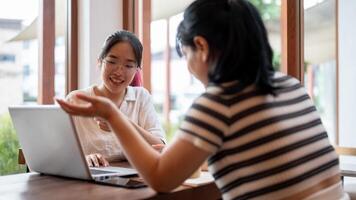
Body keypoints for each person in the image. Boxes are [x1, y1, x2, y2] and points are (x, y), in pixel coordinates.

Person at [57, 0, 348, 199]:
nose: (188, 66)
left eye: (185, 56)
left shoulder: (219, 104)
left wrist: (111, 114)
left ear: (201, 47)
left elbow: (161, 178)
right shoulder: (291, 86)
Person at [66, 30, 166, 167]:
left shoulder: (141, 97)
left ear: (136, 69)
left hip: (134, 179)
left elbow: (160, 146)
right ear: (100, 62)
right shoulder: (76, 99)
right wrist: (84, 158)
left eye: (129, 66)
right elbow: (62, 153)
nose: (119, 72)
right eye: (112, 62)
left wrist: (121, 123)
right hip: (89, 178)